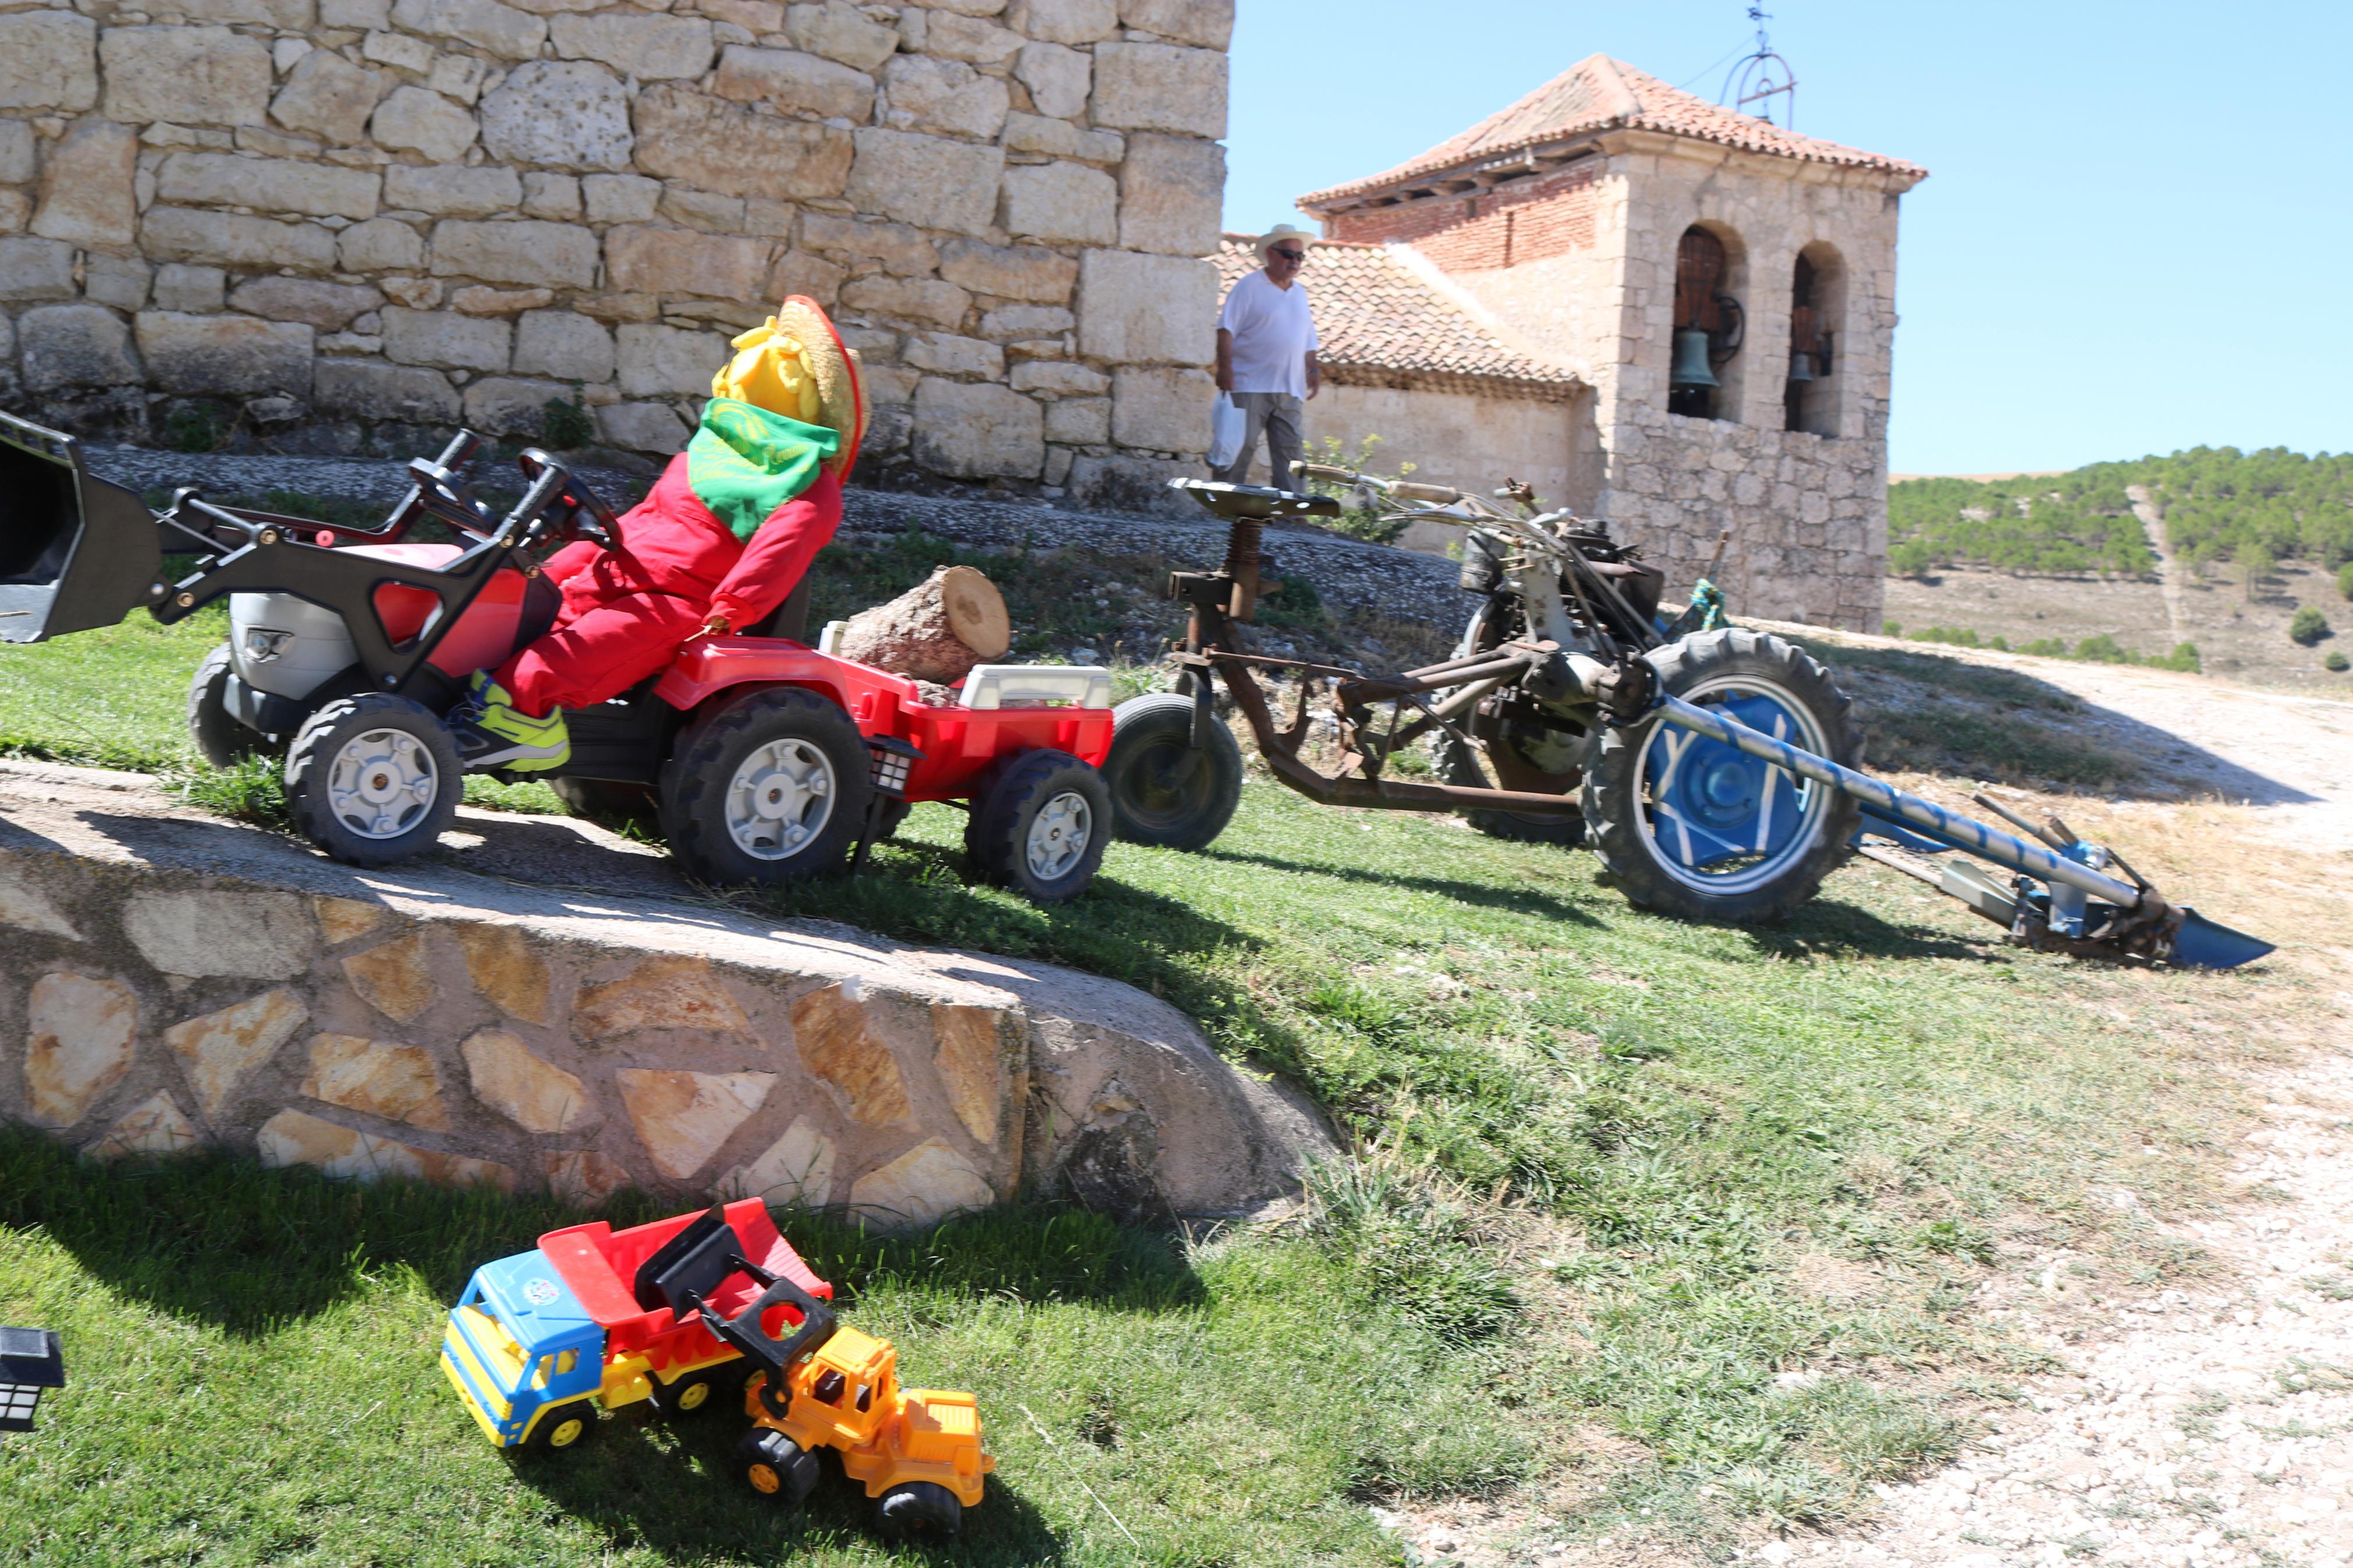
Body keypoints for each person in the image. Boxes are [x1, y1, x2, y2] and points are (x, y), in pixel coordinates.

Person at [448, 296, 868, 771]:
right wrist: (584, 536)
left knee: (571, 652)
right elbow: (652, 513)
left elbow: (779, 553)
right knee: (526, 589)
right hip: (625, 557)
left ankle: (522, 723)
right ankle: (452, 674)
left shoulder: (809, 488)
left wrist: (733, 608)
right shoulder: (708, 453)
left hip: (681, 598)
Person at [1213, 223, 1322, 492]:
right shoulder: (1249, 287)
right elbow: (1226, 329)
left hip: (1290, 387)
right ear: (1271, 254)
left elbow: (1307, 337)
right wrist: (1224, 370)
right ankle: (1225, 504)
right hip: (1249, 383)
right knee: (1241, 444)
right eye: (1289, 255)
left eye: (1300, 257)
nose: (1295, 262)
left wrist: (1313, 371)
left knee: (1291, 451)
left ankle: (1293, 511)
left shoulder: (1300, 294)